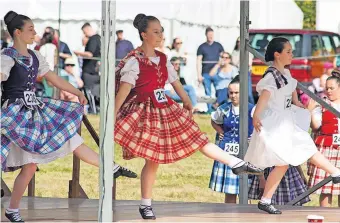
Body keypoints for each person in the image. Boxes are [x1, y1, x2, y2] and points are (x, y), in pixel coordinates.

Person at [114, 13, 263, 220]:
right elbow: (124, 90)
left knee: (196, 138)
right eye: (155, 32)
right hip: (145, 111)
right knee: (152, 158)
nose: (160, 35)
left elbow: (175, 83)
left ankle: (235, 163)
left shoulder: (163, 59)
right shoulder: (134, 61)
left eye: (161, 31)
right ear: (144, 35)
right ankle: (145, 203)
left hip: (165, 107)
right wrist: (112, 115)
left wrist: (187, 101)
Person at [0, 11, 137, 222]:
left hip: (34, 110)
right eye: (30, 29)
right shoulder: (6, 57)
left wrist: (77, 92)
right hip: (16, 114)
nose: (35, 33)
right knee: (29, 165)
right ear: (17, 33)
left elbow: (54, 78)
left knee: (69, 140)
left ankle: (110, 167)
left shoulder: (35, 56)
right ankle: (12, 209)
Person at [244, 37, 340, 214]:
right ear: (277, 55)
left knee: (288, 160)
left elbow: (290, 93)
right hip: (277, 123)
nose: (292, 55)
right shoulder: (271, 76)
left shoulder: (285, 74)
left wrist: (299, 105)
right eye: (288, 52)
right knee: (293, 155)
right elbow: (265, 98)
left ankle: (265, 199)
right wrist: (256, 115)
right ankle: (335, 172)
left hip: (287, 120)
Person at [209, 75, 254, 203]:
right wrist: (220, 131)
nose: (233, 96)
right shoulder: (224, 109)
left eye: (236, 93)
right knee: (230, 191)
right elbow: (214, 121)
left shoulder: (252, 109)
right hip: (227, 152)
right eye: (231, 93)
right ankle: (230, 215)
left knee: (246, 191)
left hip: (245, 152)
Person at [308, 69, 340, 207]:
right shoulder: (322, 104)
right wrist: (310, 110)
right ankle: (325, 218)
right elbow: (315, 126)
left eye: (332, 88)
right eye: (327, 88)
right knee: (326, 189)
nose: (329, 91)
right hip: (327, 149)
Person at [196, 27, 224, 113]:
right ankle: (210, 110)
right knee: (208, 92)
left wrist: (219, 67)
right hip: (205, 73)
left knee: (219, 90)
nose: (210, 36)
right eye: (209, 35)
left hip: (217, 73)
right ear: (206, 35)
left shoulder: (218, 46)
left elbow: (224, 58)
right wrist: (199, 75)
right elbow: (198, 61)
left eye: (212, 35)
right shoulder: (201, 47)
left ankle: (219, 109)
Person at [231, 37, 255, 104]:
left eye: (241, 42)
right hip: (237, 73)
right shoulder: (234, 52)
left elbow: (248, 63)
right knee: (238, 92)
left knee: (248, 94)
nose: (239, 43)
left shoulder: (249, 52)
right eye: (238, 41)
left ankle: (252, 108)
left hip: (246, 73)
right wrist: (241, 56)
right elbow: (234, 63)